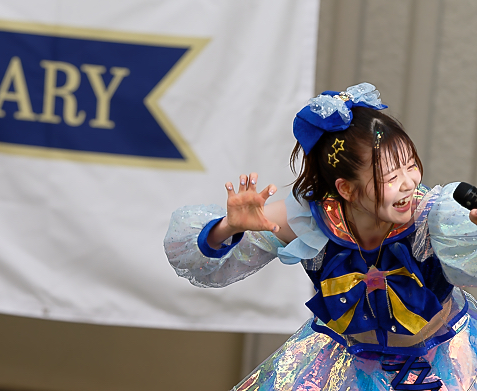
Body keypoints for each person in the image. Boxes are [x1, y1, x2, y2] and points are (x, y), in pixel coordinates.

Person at [165, 82, 477, 391]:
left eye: (411, 166)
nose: (409, 183)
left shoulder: (437, 217)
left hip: (448, 362)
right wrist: (228, 228)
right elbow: (199, 263)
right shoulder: (310, 220)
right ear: (346, 189)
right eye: (391, 177)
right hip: (344, 371)